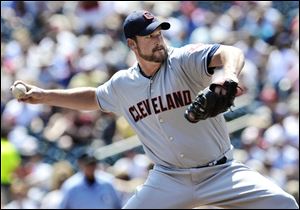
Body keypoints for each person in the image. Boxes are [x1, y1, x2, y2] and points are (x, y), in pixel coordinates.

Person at [11, 10, 298, 209]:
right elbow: (94, 97)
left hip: (220, 172)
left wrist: (229, 76)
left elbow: (230, 53)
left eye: (159, 32)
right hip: (168, 179)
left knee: (284, 204)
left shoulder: (183, 60)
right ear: (132, 44)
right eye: (149, 36)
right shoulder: (124, 84)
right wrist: (45, 95)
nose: (158, 39)